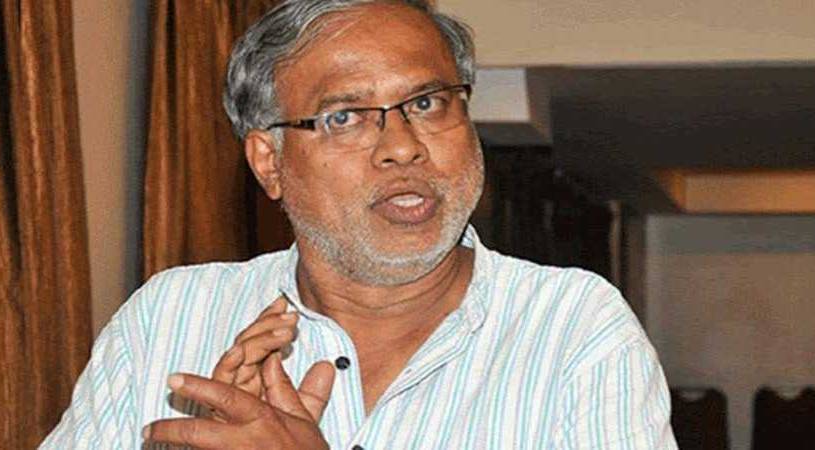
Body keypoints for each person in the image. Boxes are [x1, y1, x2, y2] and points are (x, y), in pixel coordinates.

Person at [41, 0, 677, 448]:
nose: (402, 146)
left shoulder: (573, 327)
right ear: (269, 162)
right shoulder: (168, 318)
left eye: (427, 103)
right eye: (344, 117)